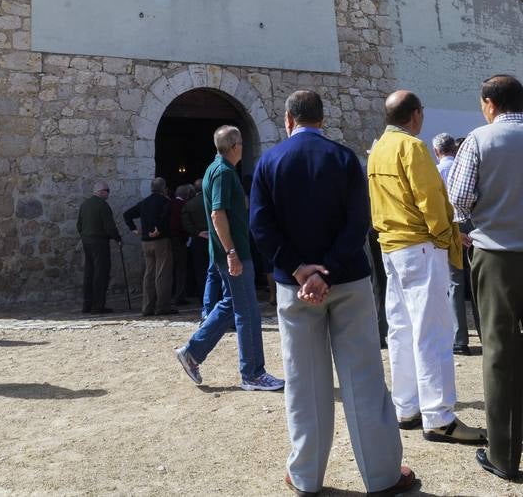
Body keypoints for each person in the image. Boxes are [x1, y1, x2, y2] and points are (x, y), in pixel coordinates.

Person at [250, 90, 415, 497]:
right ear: (321, 119)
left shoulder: (268, 162)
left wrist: (299, 268)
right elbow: (359, 221)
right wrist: (329, 269)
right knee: (364, 378)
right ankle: (382, 475)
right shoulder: (344, 159)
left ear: (289, 120)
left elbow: (261, 226)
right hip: (348, 281)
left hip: (294, 286)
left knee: (305, 382)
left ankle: (305, 475)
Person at [368, 91, 486, 444]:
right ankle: (439, 416)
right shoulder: (413, 148)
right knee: (432, 332)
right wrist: (447, 236)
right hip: (421, 245)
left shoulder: (378, 150)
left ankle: (406, 407)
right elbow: (431, 200)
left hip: (392, 246)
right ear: (416, 115)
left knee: (401, 330)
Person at [449, 74, 523, 482]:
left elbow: (459, 198)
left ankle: (505, 455)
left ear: (490, 104)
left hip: (496, 255)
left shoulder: (478, 140)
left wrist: (467, 225)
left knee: (499, 352)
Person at [175, 125, 283, 391]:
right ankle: (253, 374)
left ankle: (192, 352)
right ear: (235, 146)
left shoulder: (215, 169)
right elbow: (217, 214)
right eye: (242, 144)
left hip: (226, 252)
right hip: (234, 253)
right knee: (248, 313)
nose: (243, 148)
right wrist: (232, 252)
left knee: (229, 305)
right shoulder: (223, 172)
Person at [432, 132, 471, 356]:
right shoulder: (463, 166)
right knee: (476, 282)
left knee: (455, 281)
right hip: (472, 223)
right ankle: (485, 331)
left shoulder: (436, 172)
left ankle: (460, 339)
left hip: (451, 226)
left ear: (437, 151)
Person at [123, 178, 178, 316]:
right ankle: (162, 306)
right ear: (164, 188)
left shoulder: (144, 202)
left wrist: (133, 229)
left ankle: (147, 307)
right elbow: (165, 216)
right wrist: (158, 228)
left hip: (145, 242)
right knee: (163, 274)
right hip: (160, 241)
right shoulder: (165, 202)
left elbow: (127, 214)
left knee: (149, 274)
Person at [76, 181, 122, 314]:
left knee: (89, 272)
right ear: (101, 191)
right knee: (101, 273)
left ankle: (87, 304)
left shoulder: (85, 204)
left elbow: (79, 225)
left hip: (87, 241)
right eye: (107, 190)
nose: (108, 193)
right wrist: (117, 238)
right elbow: (110, 227)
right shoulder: (103, 205)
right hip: (100, 242)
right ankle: (98, 305)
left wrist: (85, 236)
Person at [181, 178, 210, 303]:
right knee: (216, 268)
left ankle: (203, 295)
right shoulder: (212, 201)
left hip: (198, 239)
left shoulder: (189, 204)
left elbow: (186, 223)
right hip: (213, 238)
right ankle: (217, 294)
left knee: (200, 269)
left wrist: (197, 232)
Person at [170, 184, 191, 305]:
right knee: (181, 268)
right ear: (187, 195)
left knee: (171, 267)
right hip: (180, 240)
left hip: (169, 240)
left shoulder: (169, 203)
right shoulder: (184, 205)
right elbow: (184, 224)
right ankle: (179, 296)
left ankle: (172, 293)